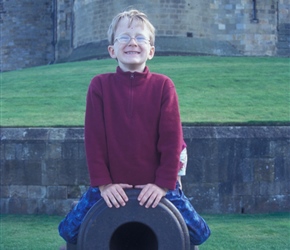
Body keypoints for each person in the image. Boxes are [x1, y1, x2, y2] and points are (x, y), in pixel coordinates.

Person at [58, 9, 210, 247]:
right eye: (124, 37)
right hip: (112, 186)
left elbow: (172, 140)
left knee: (199, 233)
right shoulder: (99, 86)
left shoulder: (163, 86)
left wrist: (162, 184)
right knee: (69, 232)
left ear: (151, 50)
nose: (132, 42)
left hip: (155, 185)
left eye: (140, 37)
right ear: (112, 50)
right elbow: (94, 139)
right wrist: (104, 184)